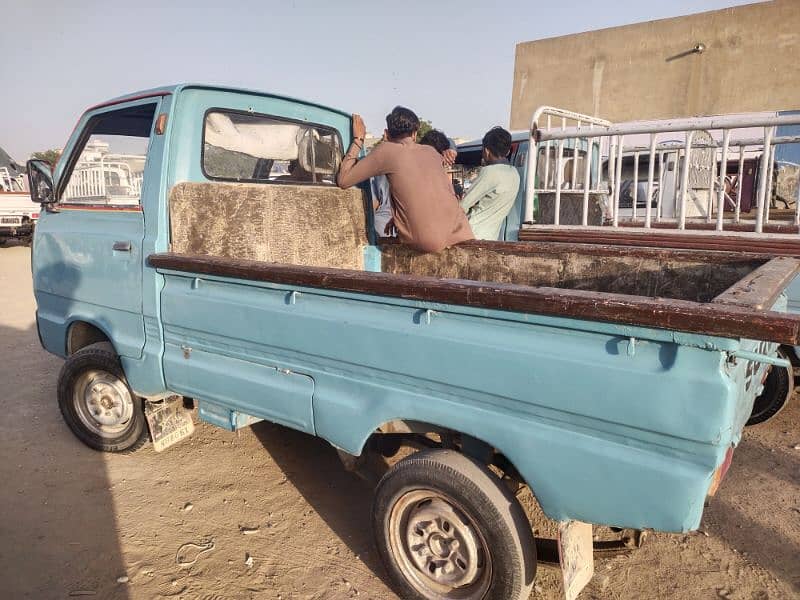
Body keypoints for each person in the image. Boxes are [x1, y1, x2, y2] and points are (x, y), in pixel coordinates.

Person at [337, 107, 474, 252]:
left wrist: (358, 140)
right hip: (461, 231)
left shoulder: (386, 150)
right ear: (414, 134)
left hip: (428, 242)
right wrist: (399, 217)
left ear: (386, 133)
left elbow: (344, 180)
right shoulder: (431, 152)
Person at [459, 126, 521, 240]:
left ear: (486, 151)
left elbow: (462, 206)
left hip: (472, 233)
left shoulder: (490, 172)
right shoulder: (515, 174)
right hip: (491, 237)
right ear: (507, 151)